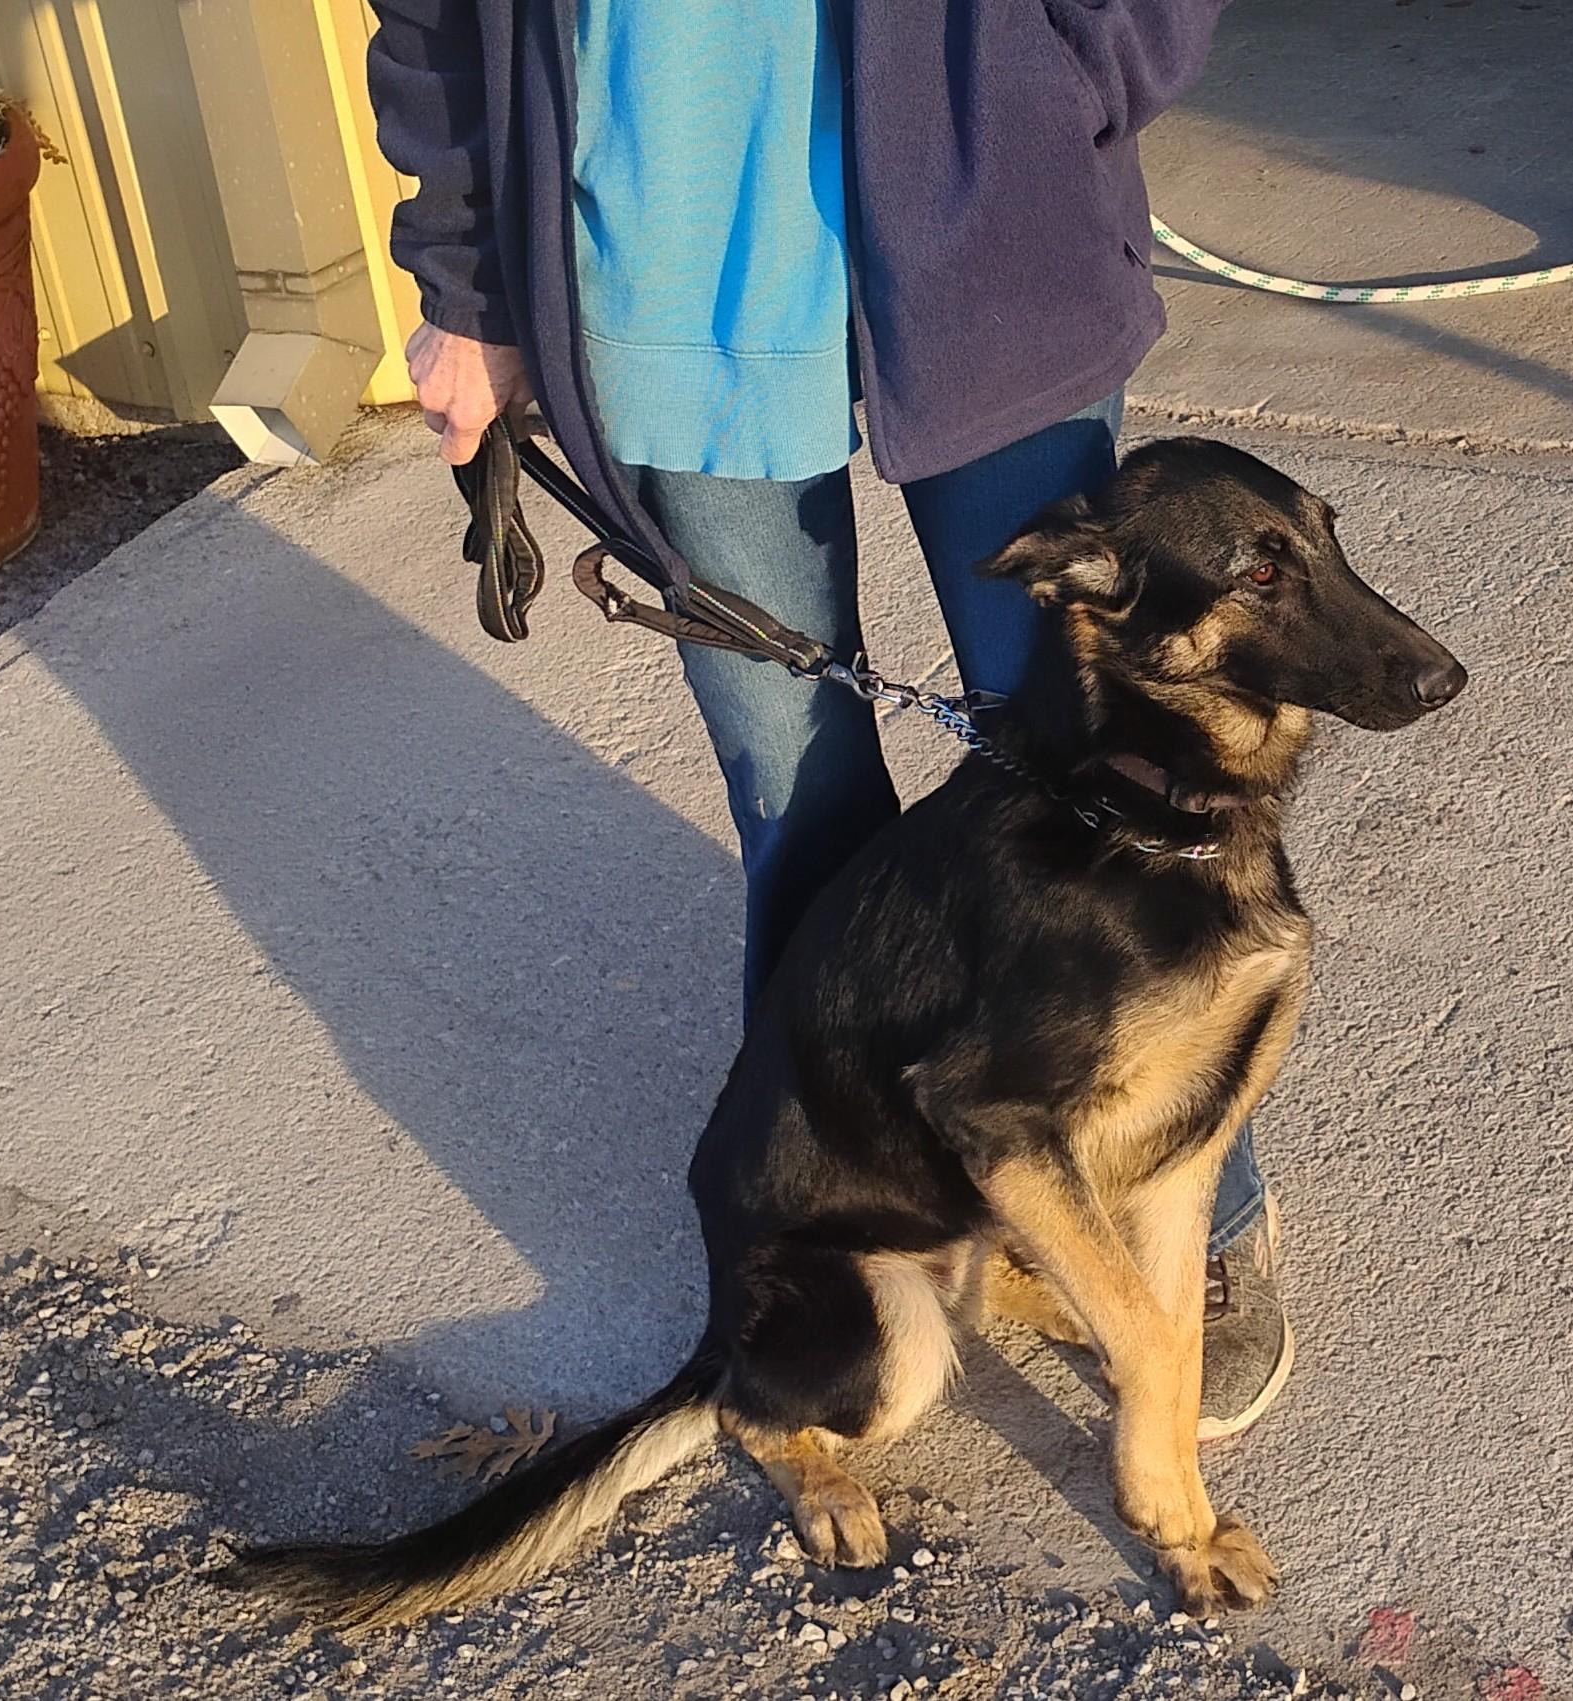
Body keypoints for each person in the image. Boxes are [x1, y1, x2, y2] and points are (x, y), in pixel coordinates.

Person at [371, 0, 1289, 1441]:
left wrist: (1075, 69)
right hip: (662, 251)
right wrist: (468, 281)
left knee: (1101, 779)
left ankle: (1193, 1201)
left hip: (989, 217)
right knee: (796, 796)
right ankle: (856, 1200)